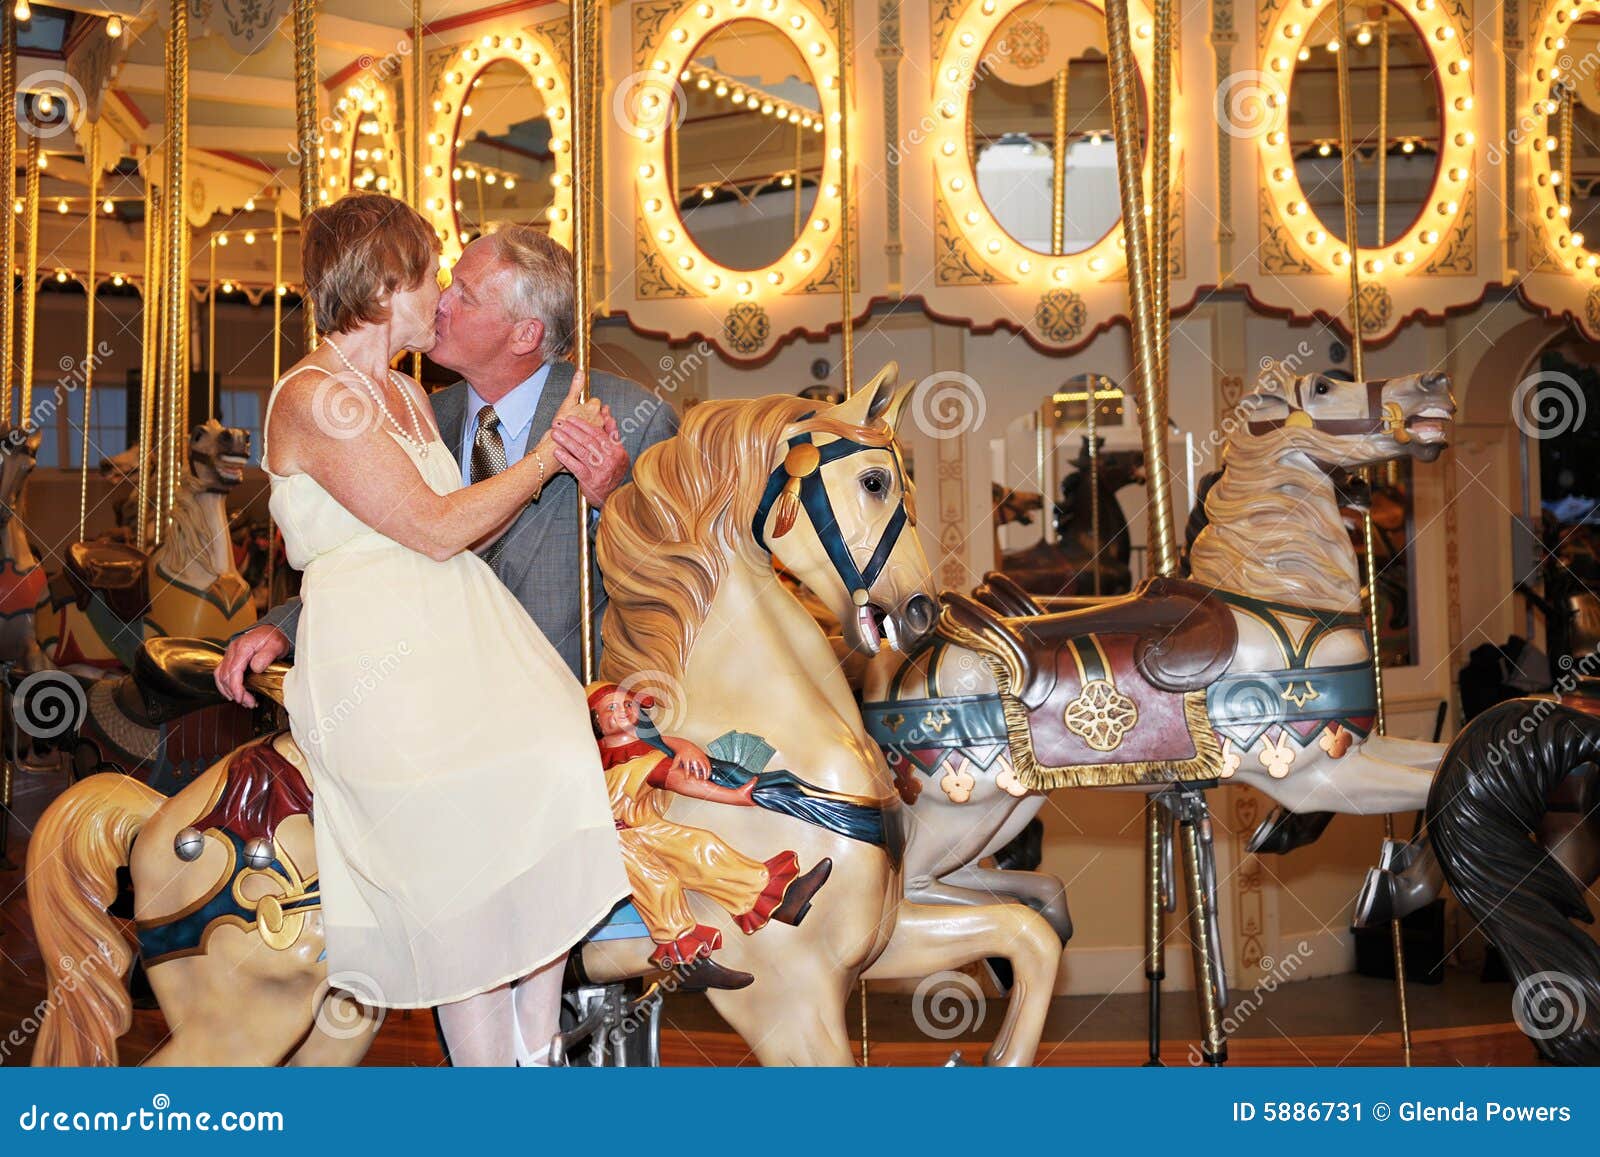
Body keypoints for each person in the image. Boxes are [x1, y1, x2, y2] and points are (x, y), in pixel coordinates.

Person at [242, 192, 635, 1066]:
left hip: (459, 636)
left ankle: (535, 1047)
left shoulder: (409, 397)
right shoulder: (316, 397)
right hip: (379, 660)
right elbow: (429, 526)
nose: (442, 300)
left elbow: (467, 528)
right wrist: (547, 455)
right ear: (387, 286)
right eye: (431, 279)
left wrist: (571, 461)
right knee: (460, 858)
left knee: (554, 766)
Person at [217, 223, 677, 690]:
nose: (440, 301)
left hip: (566, 692)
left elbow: (676, 580)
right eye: (445, 281)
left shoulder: (634, 418)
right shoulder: (416, 414)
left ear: (524, 335)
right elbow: (386, 552)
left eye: (465, 295)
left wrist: (611, 499)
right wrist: (286, 626)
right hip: (428, 683)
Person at [586, 683, 834, 992]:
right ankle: (686, 961)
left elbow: (671, 765)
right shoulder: (592, 756)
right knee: (659, 884)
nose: (622, 712)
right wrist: (734, 795)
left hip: (645, 829)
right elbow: (680, 782)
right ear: (595, 720)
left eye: (627, 705)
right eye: (610, 708)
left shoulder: (643, 754)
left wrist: (684, 746)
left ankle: (778, 898)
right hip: (613, 840)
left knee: (702, 846)